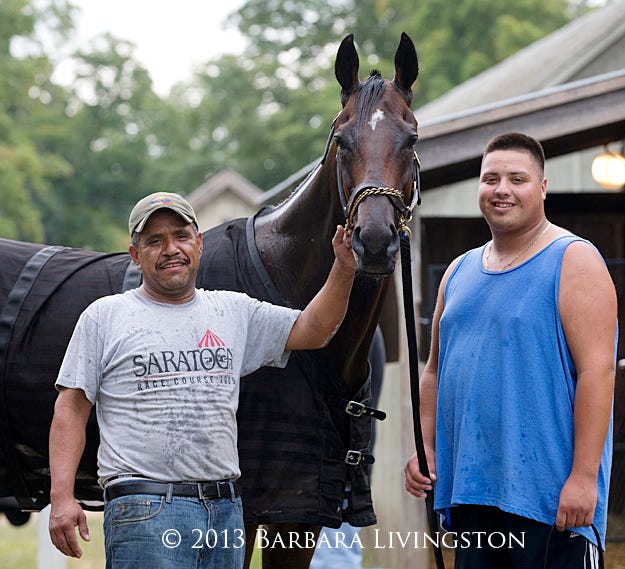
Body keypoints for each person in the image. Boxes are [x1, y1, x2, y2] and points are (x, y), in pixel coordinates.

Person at [48, 191, 358, 569]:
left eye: (181, 236)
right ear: (135, 255)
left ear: (198, 243)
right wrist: (61, 497)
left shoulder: (232, 310)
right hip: (146, 511)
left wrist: (344, 268)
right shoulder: (105, 316)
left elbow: (313, 329)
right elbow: (71, 407)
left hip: (224, 511)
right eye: (155, 241)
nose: (171, 249)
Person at [404, 133, 616, 568]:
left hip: (550, 502)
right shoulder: (458, 271)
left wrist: (583, 477)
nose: (502, 189)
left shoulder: (574, 259)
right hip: (471, 494)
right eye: (491, 179)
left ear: (542, 187)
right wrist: (425, 447)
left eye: (517, 179)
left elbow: (598, 372)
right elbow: (434, 371)